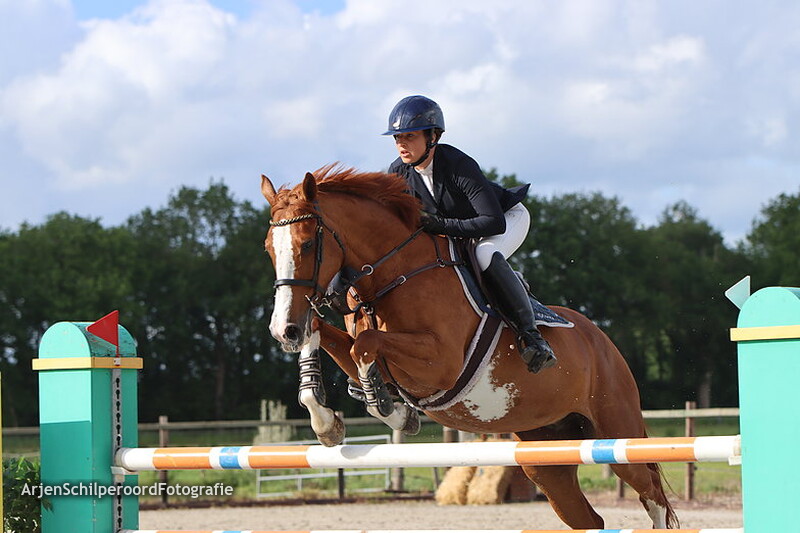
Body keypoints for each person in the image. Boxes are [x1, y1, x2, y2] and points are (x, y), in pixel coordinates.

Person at [383, 95, 556, 373]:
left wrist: (438, 225)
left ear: (433, 136)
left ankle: (532, 338)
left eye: (409, 136)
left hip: (506, 219)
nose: (401, 144)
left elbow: (492, 223)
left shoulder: (457, 164)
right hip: (461, 231)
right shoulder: (398, 172)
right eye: (397, 138)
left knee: (484, 253)